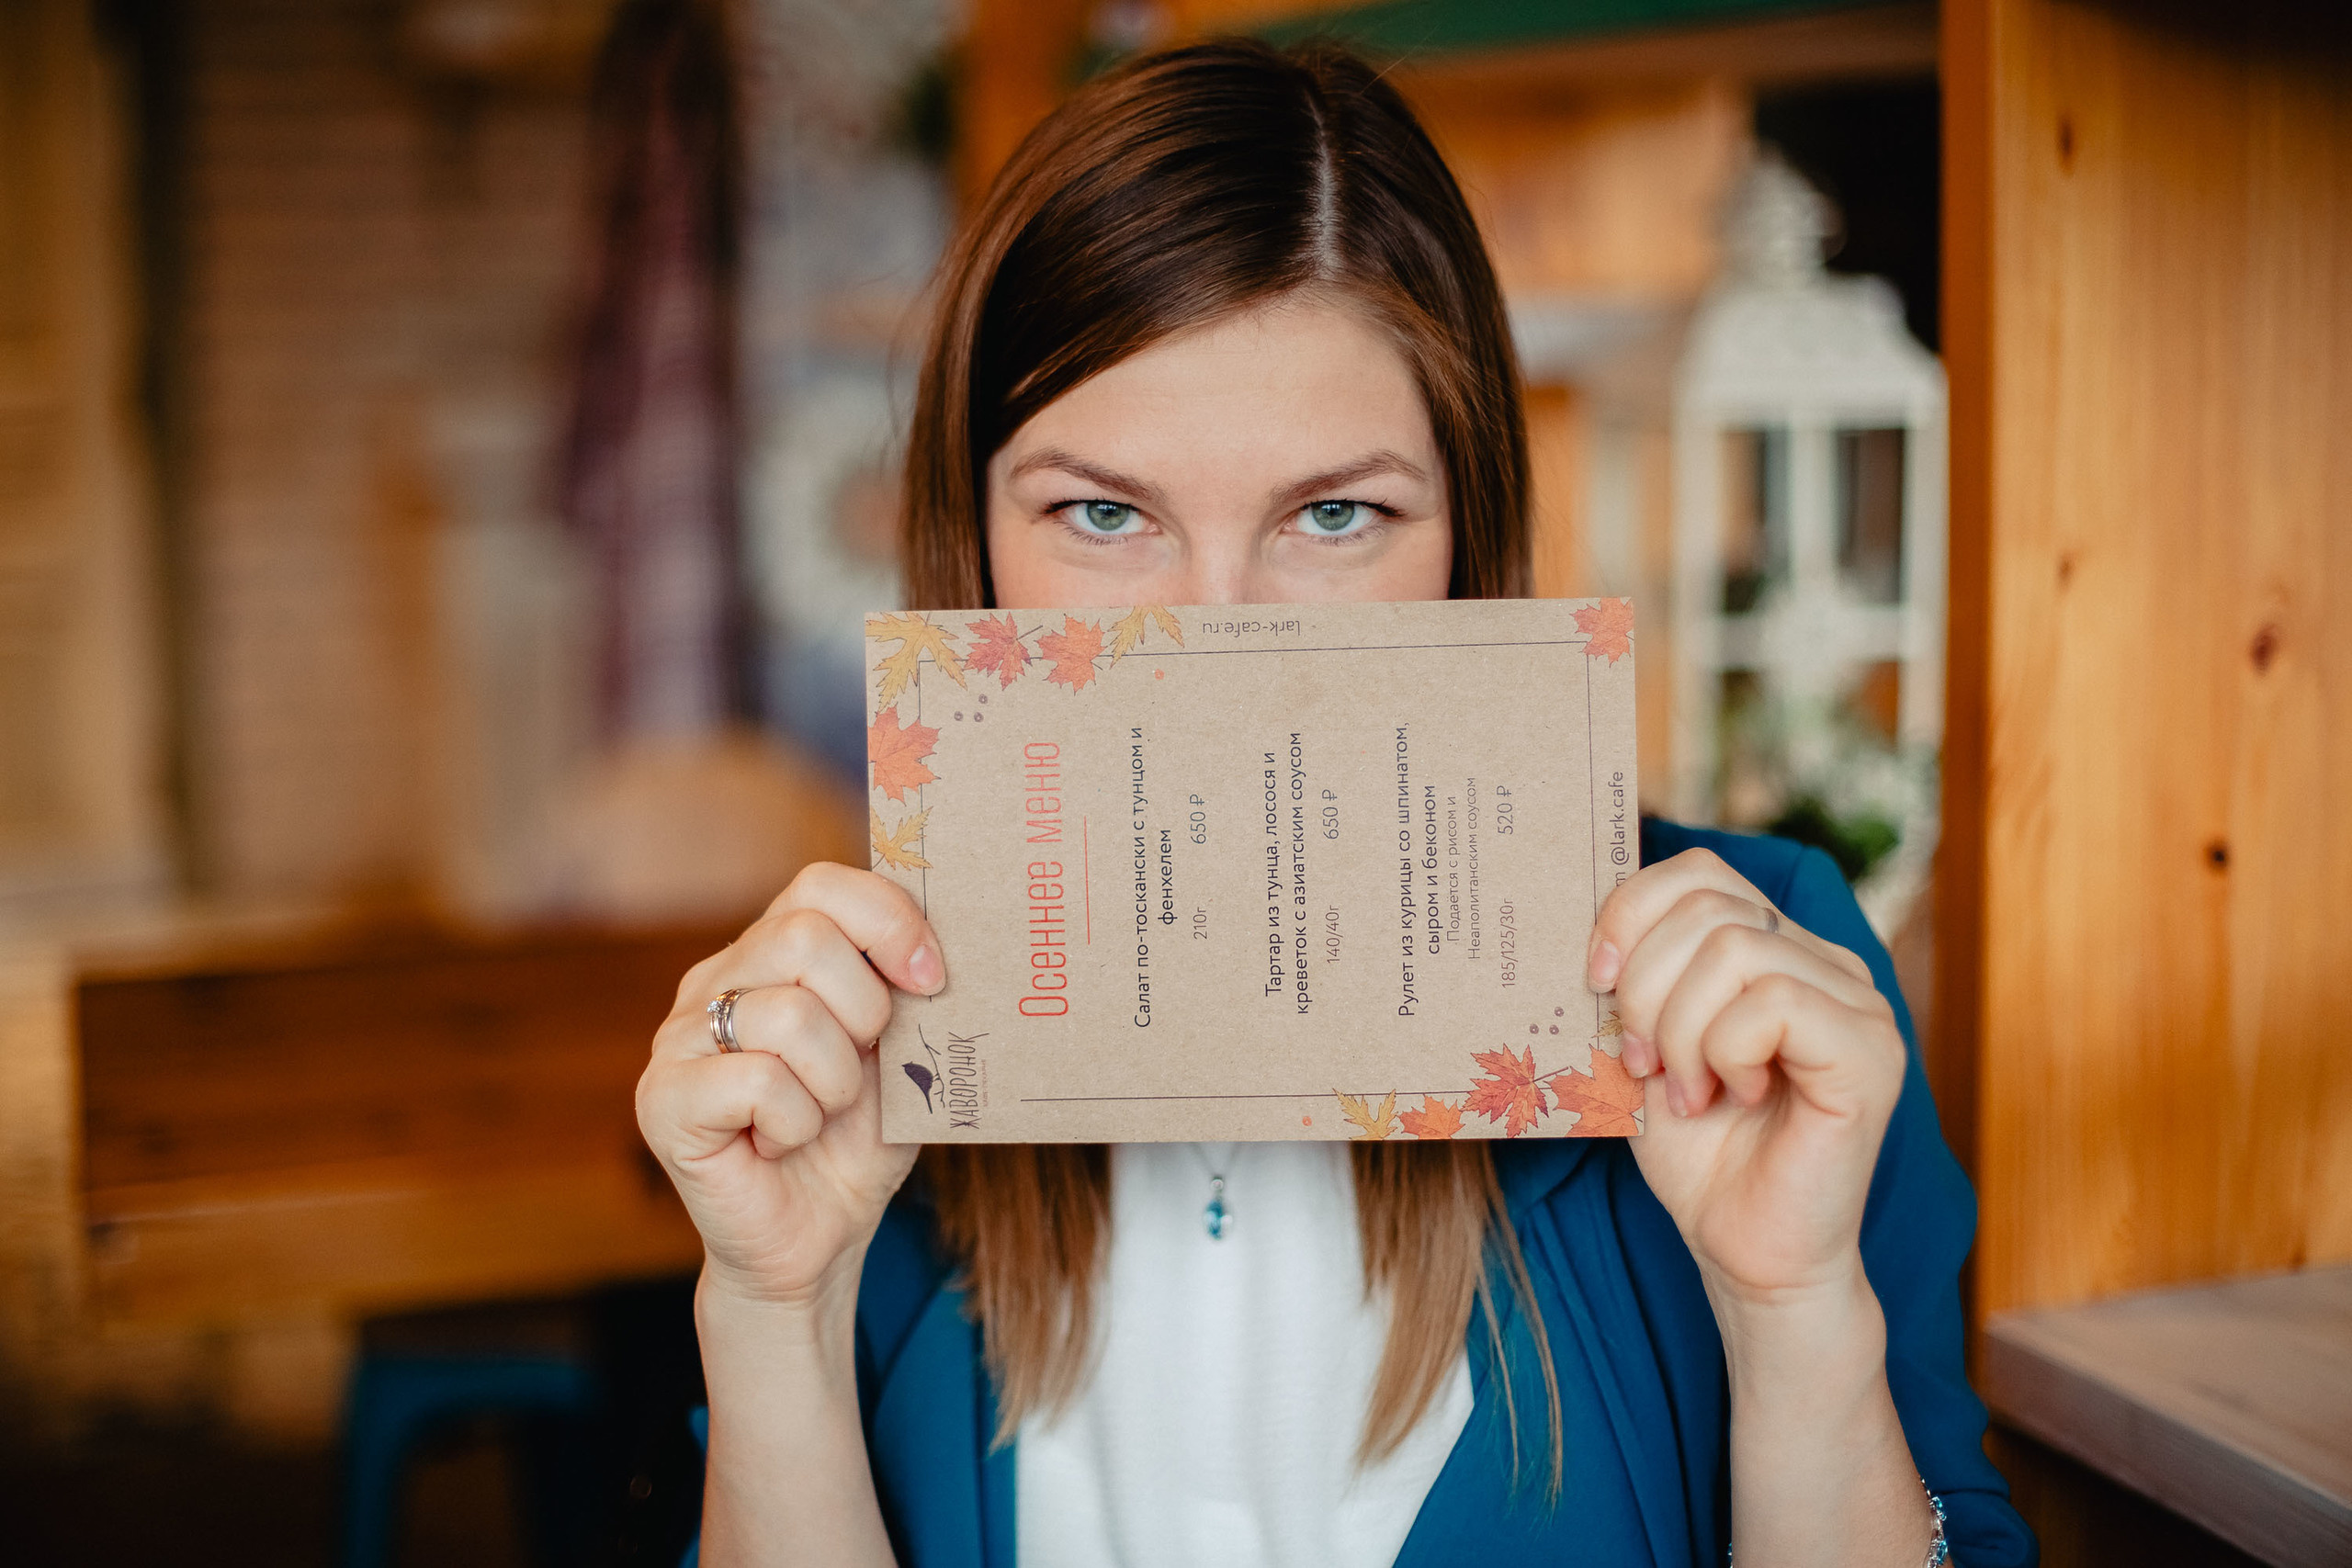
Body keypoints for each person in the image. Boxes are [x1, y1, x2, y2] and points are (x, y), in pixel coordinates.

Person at [635, 39, 2034, 1568]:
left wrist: (1794, 1315)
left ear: (1466, 543)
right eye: (1102, 514)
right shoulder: (851, 1064)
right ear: (971, 545)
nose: (1216, 637)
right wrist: (772, 1313)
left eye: (1335, 514)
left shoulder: (1762, 1008)